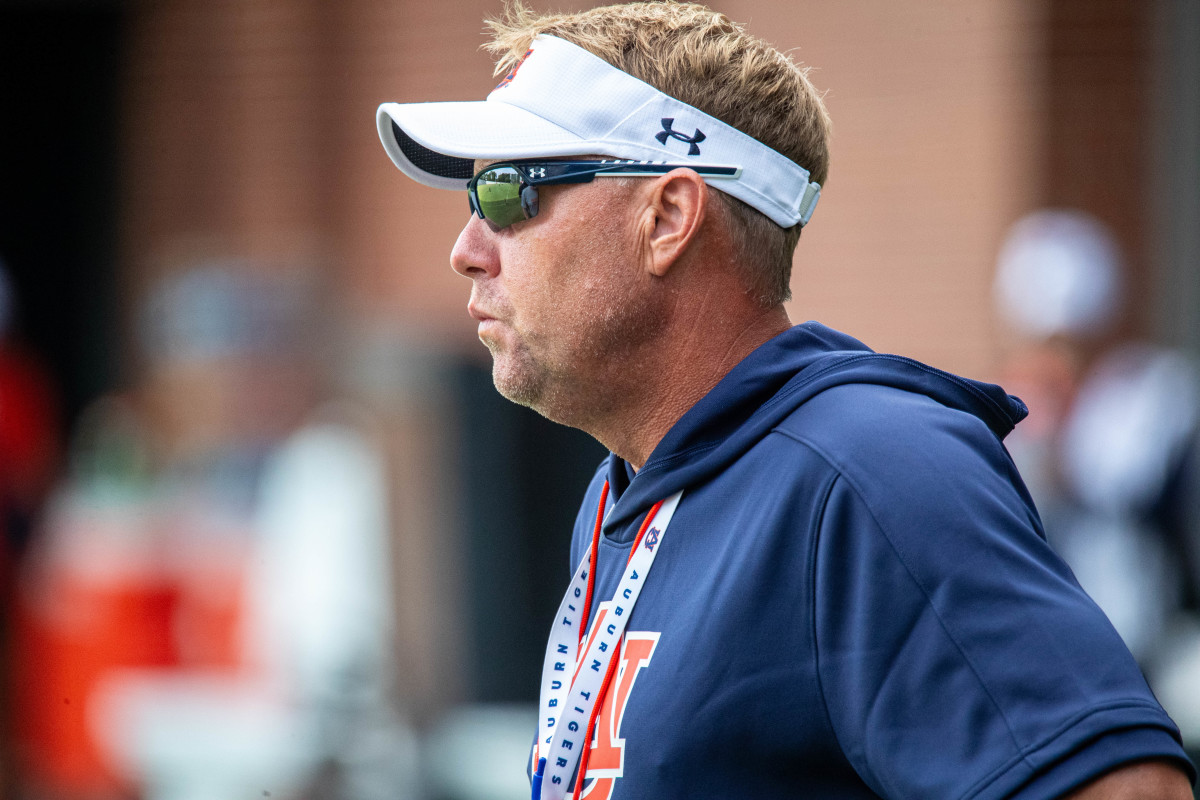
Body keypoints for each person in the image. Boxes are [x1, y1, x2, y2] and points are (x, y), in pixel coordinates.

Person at [374, 3, 1196, 798]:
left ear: (666, 217)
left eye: (509, 192)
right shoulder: (626, 487)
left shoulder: (873, 472)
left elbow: (1130, 791)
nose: (467, 249)